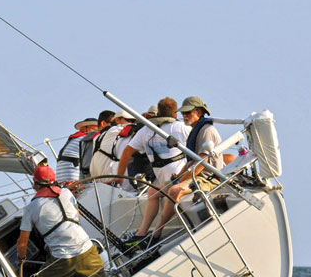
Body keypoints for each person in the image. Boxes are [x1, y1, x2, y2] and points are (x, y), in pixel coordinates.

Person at [17, 165, 112, 277]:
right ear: (54, 180)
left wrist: (21, 259)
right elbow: (77, 216)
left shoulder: (32, 208)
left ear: (35, 184)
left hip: (63, 258)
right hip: (86, 247)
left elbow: (23, 242)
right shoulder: (67, 193)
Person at [148, 96, 235, 241]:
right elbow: (190, 162)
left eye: (188, 113)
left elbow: (201, 163)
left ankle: (157, 234)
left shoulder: (207, 130)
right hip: (196, 174)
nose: (184, 116)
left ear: (199, 113)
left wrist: (181, 180)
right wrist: (177, 176)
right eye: (183, 113)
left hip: (208, 177)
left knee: (174, 191)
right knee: (153, 191)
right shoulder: (195, 130)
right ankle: (142, 233)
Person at [112, 97, 191, 247]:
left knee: (153, 193)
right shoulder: (181, 127)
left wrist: (120, 177)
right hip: (178, 174)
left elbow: (127, 153)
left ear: (158, 112)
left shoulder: (145, 130)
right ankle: (145, 234)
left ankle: (143, 233)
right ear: (175, 113)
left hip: (167, 178)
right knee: (153, 192)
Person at [89, 109, 137, 182]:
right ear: (117, 120)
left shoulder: (96, 137)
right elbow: (134, 128)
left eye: (133, 121)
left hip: (96, 180)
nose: (130, 123)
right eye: (128, 120)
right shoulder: (114, 130)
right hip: (109, 178)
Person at [56, 117, 98, 187]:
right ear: (84, 128)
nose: (97, 131)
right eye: (94, 129)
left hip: (60, 180)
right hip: (73, 179)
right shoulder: (86, 139)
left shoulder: (74, 138)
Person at [78, 110, 116, 180]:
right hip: (98, 179)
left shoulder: (84, 139)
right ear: (103, 123)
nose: (116, 126)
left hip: (85, 178)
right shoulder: (101, 137)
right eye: (113, 124)